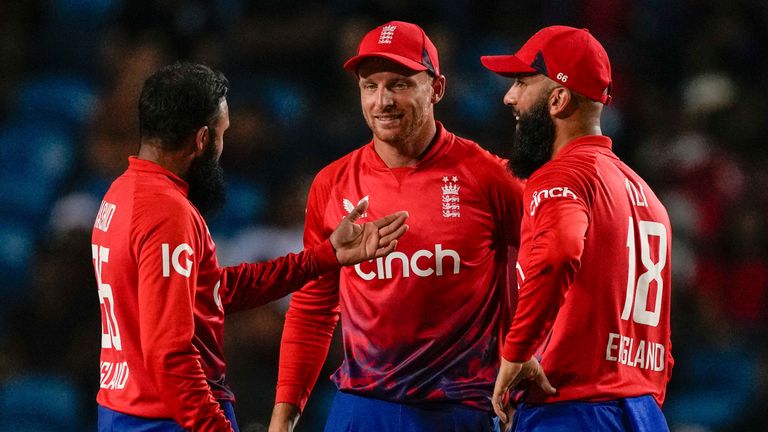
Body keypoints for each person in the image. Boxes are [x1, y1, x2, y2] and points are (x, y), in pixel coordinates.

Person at [91, 62, 409, 431]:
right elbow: (170, 355)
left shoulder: (121, 194)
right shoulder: (166, 213)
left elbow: (208, 292)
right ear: (202, 140)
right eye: (223, 134)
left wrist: (325, 256)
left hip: (125, 410)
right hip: (166, 419)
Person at [269, 21, 525, 432]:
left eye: (401, 84)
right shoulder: (331, 184)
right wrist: (282, 419)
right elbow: (314, 307)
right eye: (370, 86)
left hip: (460, 412)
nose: (382, 101)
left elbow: (542, 279)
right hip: (361, 408)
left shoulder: (491, 178)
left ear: (436, 89)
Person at [480, 26, 673, 431]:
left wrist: (516, 352)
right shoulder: (646, 194)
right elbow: (663, 347)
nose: (509, 97)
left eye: (521, 82)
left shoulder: (561, 177)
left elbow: (559, 252)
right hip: (643, 412)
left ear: (558, 99)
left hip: (571, 408)